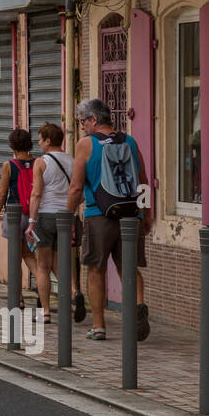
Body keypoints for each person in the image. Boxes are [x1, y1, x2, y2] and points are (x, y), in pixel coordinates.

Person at [66, 97, 150, 342]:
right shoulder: (130, 141)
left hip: (98, 215)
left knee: (95, 269)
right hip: (131, 214)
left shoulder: (86, 144)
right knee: (128, 267)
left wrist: (68, 215)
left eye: (83, 121)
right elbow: (142, 180)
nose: (82, 126)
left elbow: (76, 186)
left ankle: (99, 325)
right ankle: (138, 304)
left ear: (93, 120)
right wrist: (144, 215)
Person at [25, 122, 84, 325]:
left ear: (48, 141)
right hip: (66, 217)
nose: (39, 144)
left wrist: (32, 221)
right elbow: (80, 192)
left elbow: (36, 193)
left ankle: (46, 312)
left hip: (46, 216)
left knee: (43, 266)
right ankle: (74, 295)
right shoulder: (72, 160)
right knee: (63, 263)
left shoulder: (41, 162)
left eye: (40, 140)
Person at [0, 128, 39, 295]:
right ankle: (42, 287)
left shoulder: (9, 165)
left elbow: (2, 194)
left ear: (12, 146)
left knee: (15, 257)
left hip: (15, 216)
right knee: (28, 254)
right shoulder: (38, 163)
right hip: (33, 216)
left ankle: (18, 297)